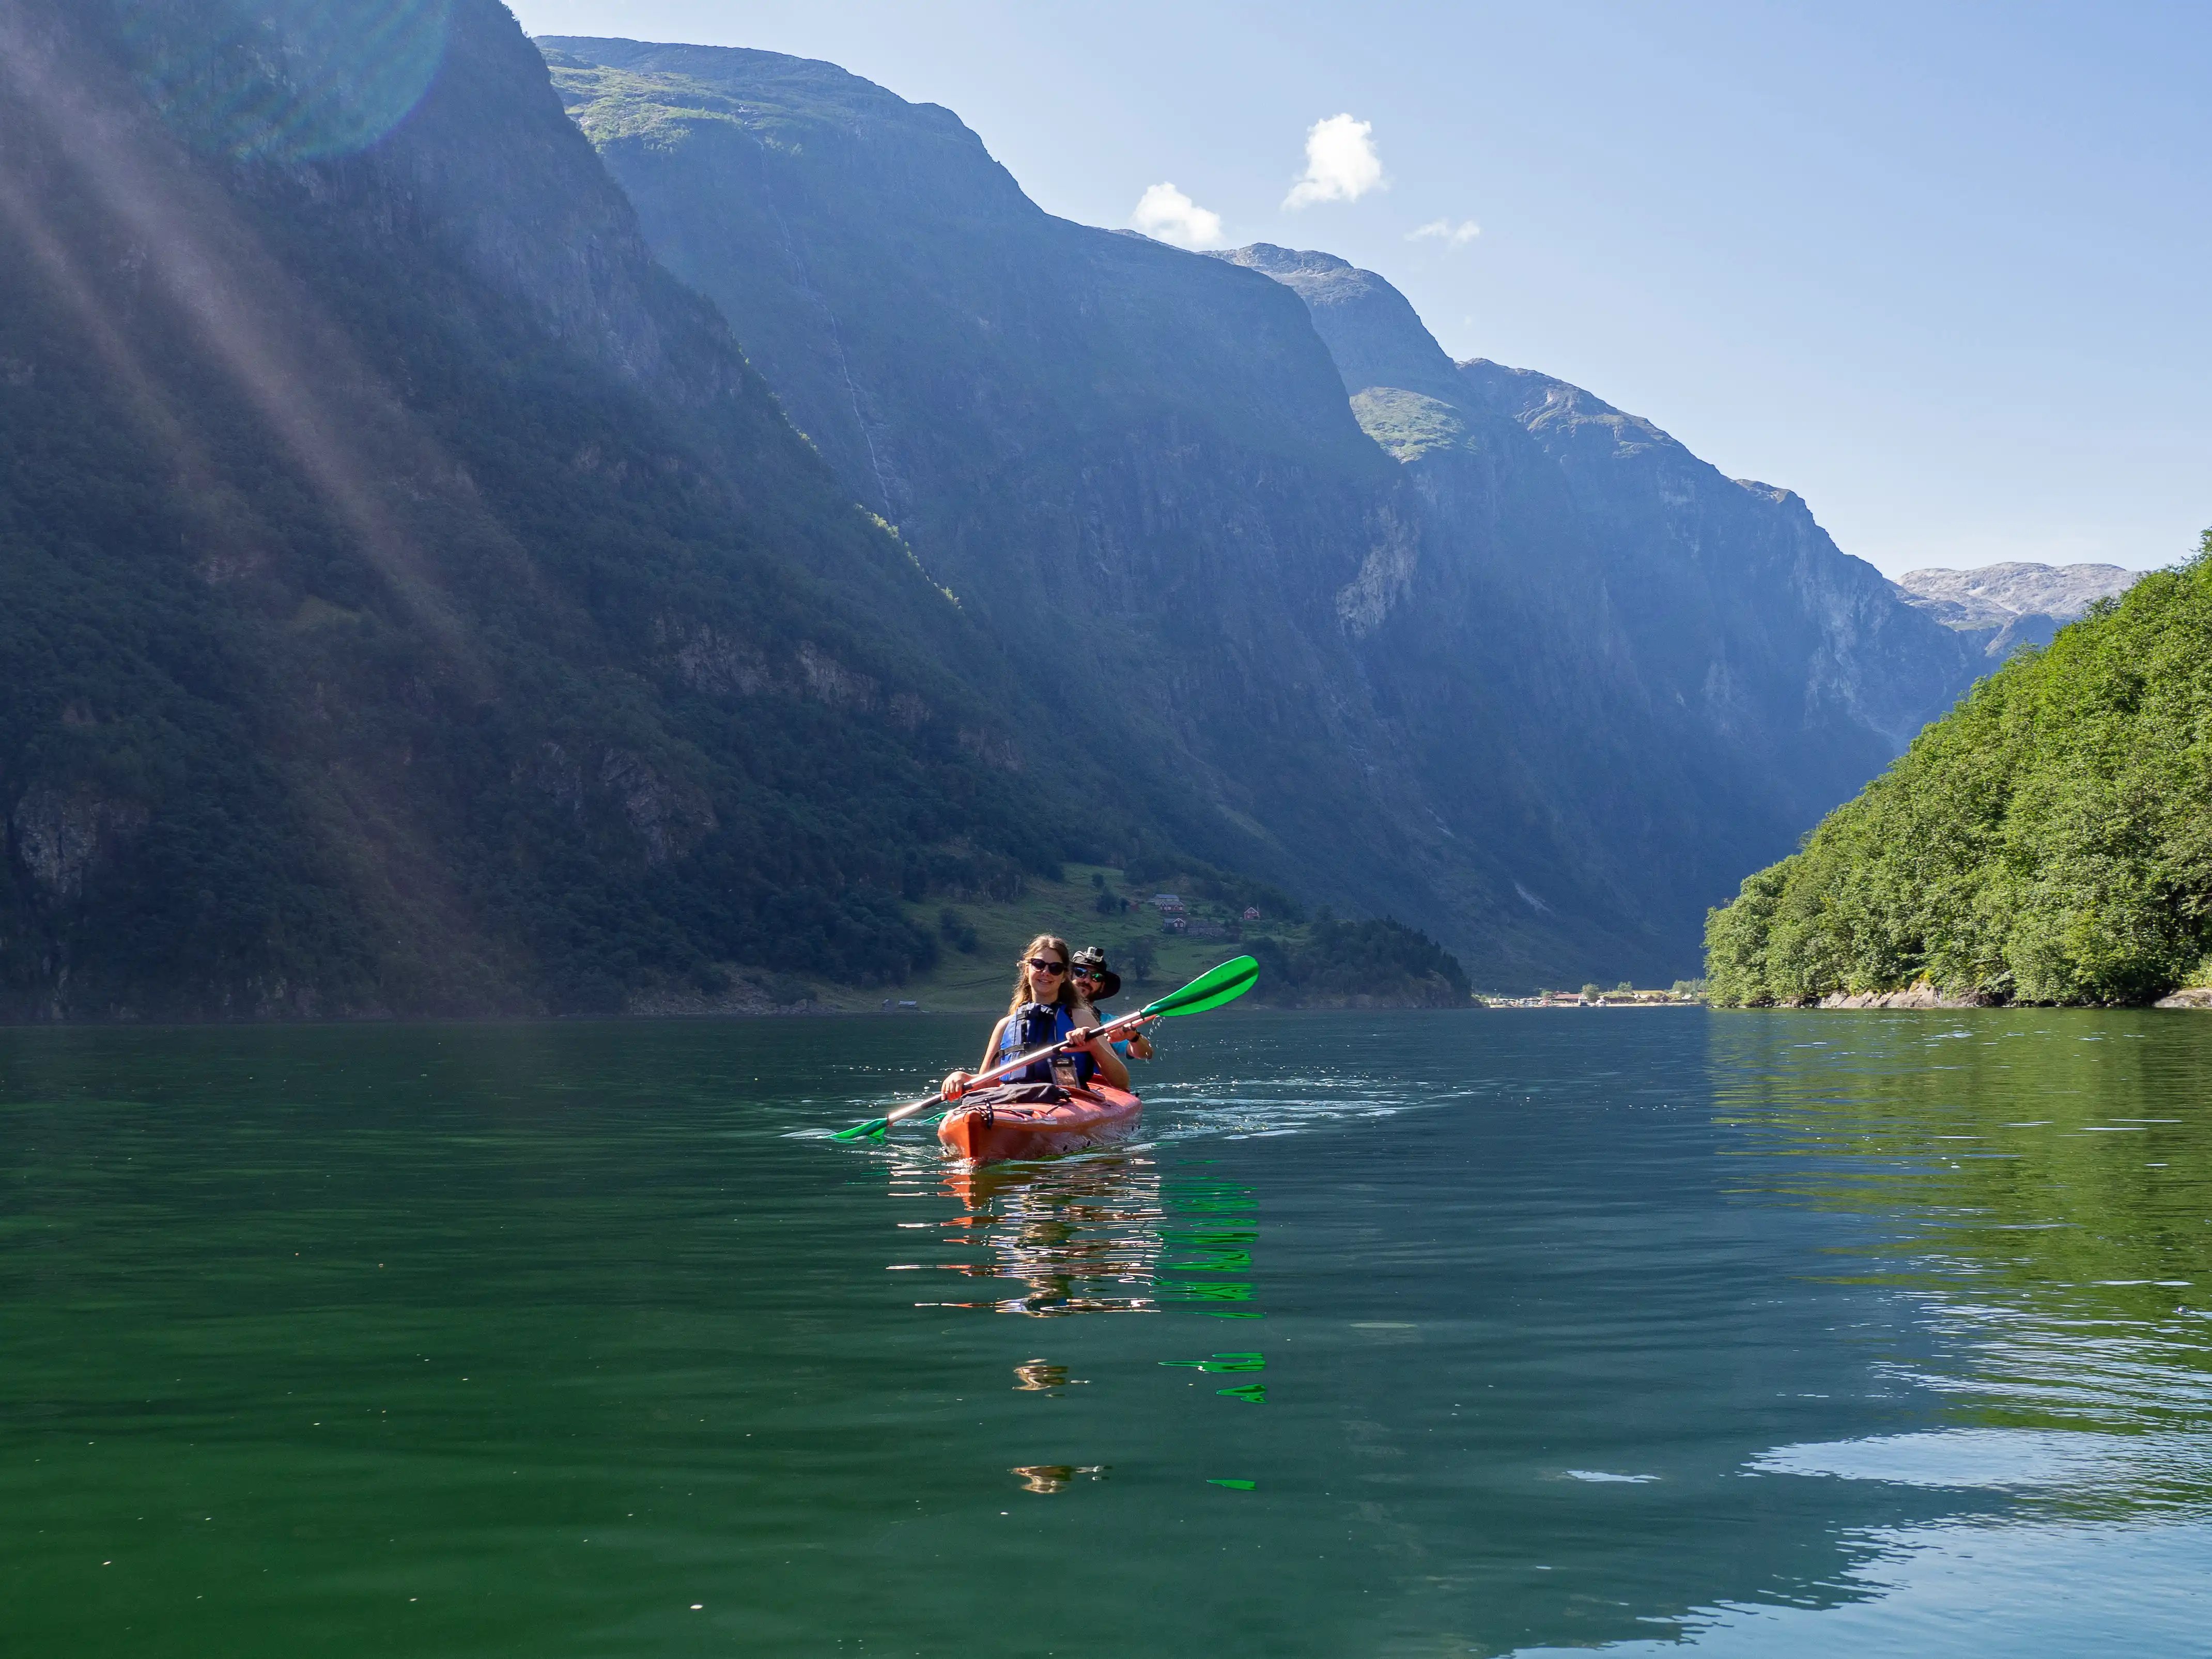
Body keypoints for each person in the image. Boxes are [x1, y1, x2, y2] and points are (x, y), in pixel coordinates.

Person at [941, 934, 1130, 1099]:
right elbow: (986, 1083)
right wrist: (962, 1077)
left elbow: (1121, 1081)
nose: (1046, 973)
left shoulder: (1081, 1018)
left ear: (1064, 975)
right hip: (1015, 1100)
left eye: (1055, 968)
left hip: (1068, 1101)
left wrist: (1094, 1046)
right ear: (1027, 969)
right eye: (1038, 965)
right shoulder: (1006, 1025)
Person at [1071, 946, 1153, 1061]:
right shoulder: (1047, 1012)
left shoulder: (1107, 1022)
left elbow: (1146, 1053)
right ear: (1068, 976)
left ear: (1102, 986)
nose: (1087, 980)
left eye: (1096, 977)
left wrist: (1133, 1036)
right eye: (1081, 973)